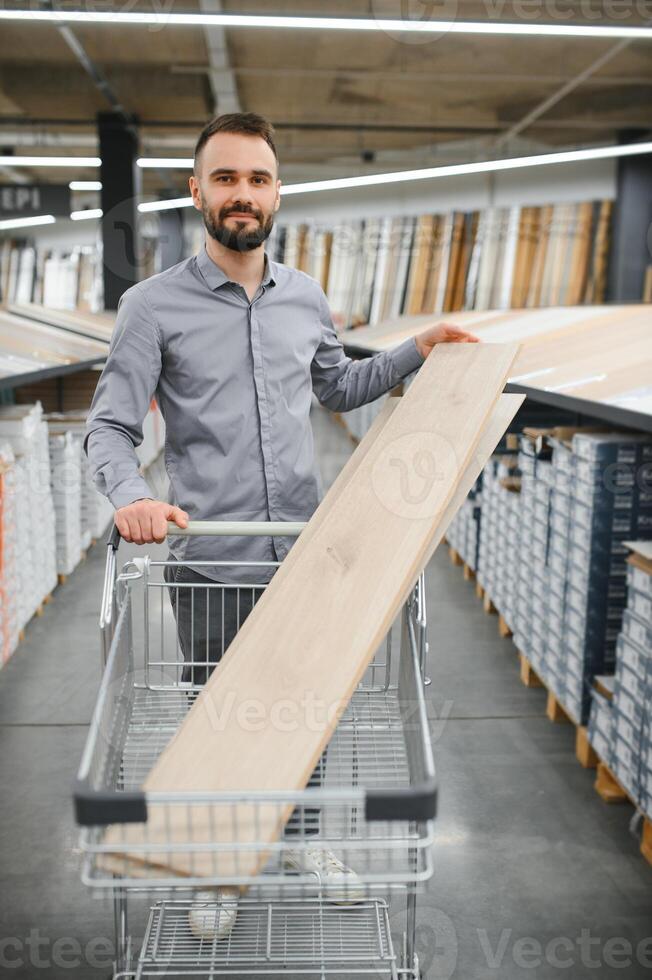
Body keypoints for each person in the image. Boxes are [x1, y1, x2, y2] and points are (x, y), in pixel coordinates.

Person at [84, 111, 479, 941]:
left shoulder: (305, 297)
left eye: (257, 179)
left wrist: (420, 349)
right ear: (196, 191)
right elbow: (110, 428)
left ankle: (300, 843)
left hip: (304, 555)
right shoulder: (152, 307)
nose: (242, 194)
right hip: (209, 559)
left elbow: (336, 387)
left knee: (307, 710)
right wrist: (131, 496)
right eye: (224, 178)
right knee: (219, 714)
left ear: (276, 193)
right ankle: (221, 865)